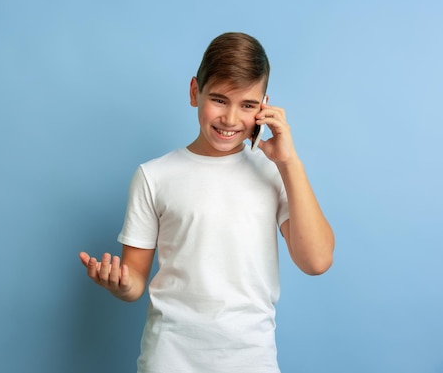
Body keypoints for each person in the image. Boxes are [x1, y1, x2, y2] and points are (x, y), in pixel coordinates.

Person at [79, 32, 335, 373]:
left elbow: (316, 261)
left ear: (264, 106)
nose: (230, 120)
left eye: (247, 105)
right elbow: (136, 280)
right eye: (218, 99)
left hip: (251, 361)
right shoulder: (154, 176)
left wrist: (289, 163)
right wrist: (122, 284)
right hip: (169, 361)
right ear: (194, 92)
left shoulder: (274, 173)